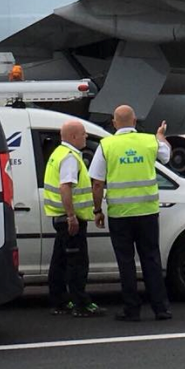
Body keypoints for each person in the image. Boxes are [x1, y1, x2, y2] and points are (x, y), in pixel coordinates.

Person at [90, 105, 172, 322]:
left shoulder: (106, 145)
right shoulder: (148, 141)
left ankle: (132, 309)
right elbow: (167, 156)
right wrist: (160, 135)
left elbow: (97, 183)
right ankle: (160, 308)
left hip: (120, 215)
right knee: (151, 259)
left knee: (125, 263)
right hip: (147, 213)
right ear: (135, 121)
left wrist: (97, 210)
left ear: (114, 123)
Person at [43, 120, 106, 317]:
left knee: (60, 262)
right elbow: (65, 186)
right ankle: (81, 304)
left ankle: (60, 301)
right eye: (83, 134)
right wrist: (71, 216)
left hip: (59, 217)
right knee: (77, 263)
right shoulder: (70, 158)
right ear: (73, 137)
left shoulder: (58, 154)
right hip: (70, 219)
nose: (86, 137)